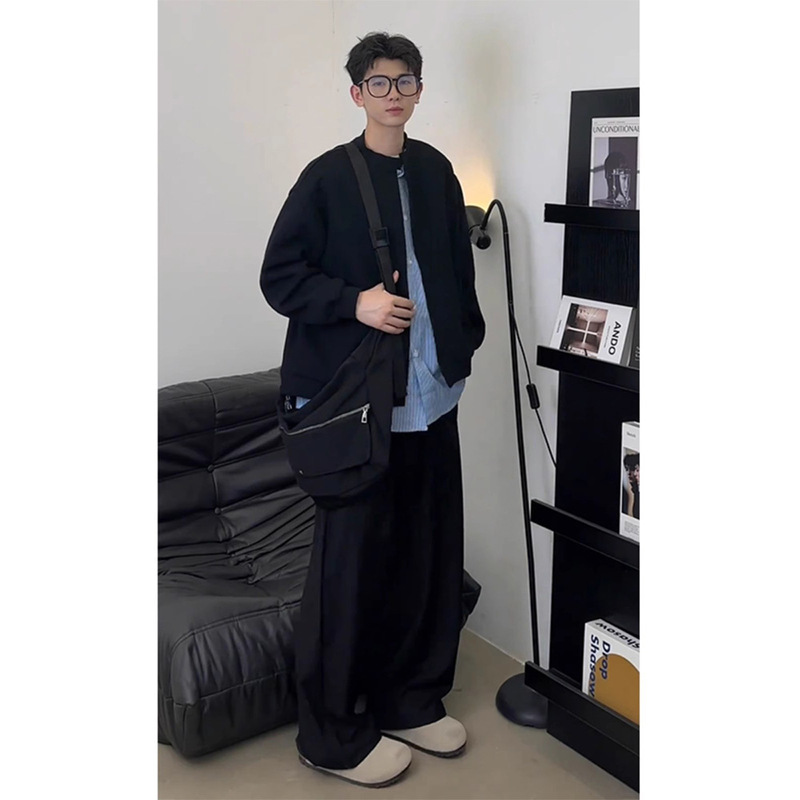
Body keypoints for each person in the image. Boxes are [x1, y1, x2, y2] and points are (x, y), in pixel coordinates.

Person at [260, 31, 485, 789]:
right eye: (379, 82)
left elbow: (456, 268)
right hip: (361, 406)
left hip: (433, 398)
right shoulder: (327, 177)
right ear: (357, 93)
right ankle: (328, 734)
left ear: (419, 90)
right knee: (349, 569)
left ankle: (410, 699)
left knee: (426, 555)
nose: (394, 94)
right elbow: (279, 275)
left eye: (406, 80)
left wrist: (464, 342)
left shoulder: (437, 170)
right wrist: (353, 301)